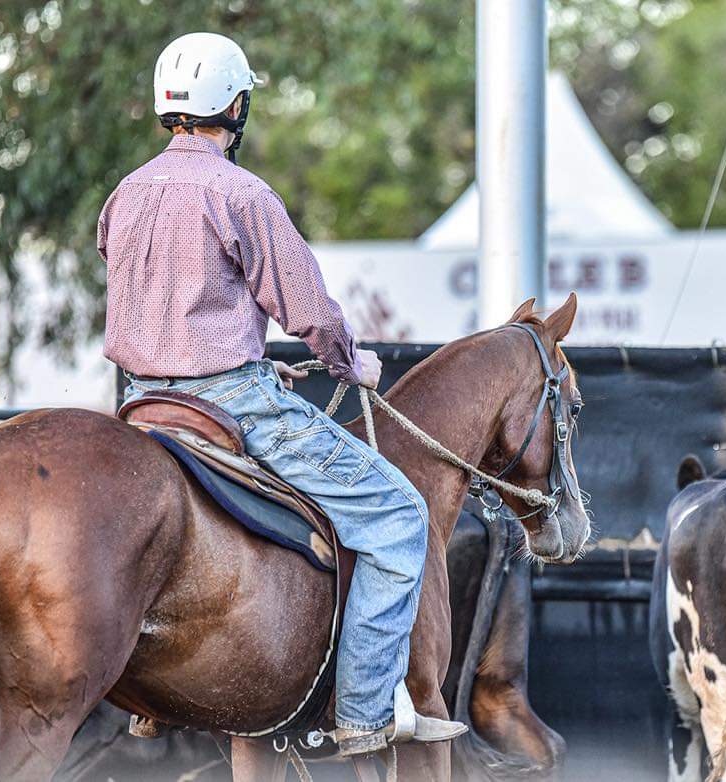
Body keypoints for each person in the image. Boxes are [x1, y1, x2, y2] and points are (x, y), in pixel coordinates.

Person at [97, 32, 466, 756]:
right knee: (399, 518)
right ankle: (364, 712)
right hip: (232, 404)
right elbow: (310, 312)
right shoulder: (243, 193)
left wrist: (246, 355)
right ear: (235, 107)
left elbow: (157, 301)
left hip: (142, 405)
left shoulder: (125, 194)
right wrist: (349, 363)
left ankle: (152, 697)